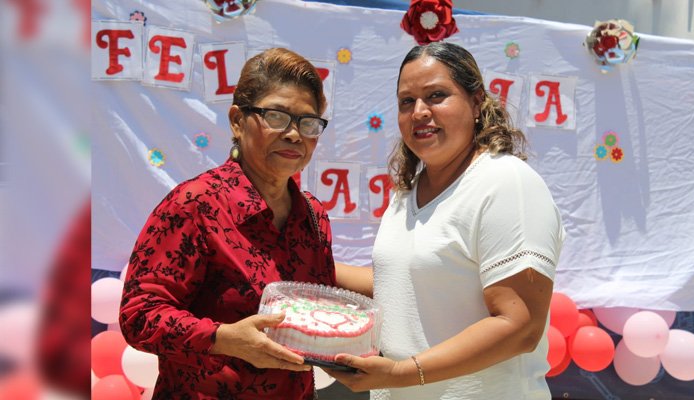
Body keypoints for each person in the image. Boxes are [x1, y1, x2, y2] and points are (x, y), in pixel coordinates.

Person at [327, 42, 566, 399]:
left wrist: (401, 373)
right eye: (406, 101)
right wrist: (305, 265)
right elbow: (404, 283)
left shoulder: (505, 182)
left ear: (476, 102)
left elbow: (519, 326)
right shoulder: (406, 192)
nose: (420, 111)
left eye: (437, 95)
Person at [119, 48, 335, 399]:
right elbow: (139, 315)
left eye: (308, 122)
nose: (295, 134)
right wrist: (223, 339)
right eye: (277, 116)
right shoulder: (196, 205)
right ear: (237, 120)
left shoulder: (313, 216)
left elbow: (314, 313)